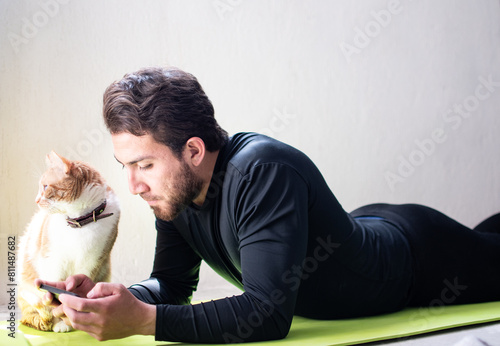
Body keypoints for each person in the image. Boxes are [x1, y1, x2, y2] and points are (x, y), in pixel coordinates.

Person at [37, 66, 500, 343]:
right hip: (362, 230)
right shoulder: (172, 194)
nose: (133, 185)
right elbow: (173, 284)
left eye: (144, 165)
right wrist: (115, 299)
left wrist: (143, 321)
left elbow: (267, 313)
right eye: (125, 167)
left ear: (193, 151)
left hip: (420, 259)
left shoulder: (262, 172)